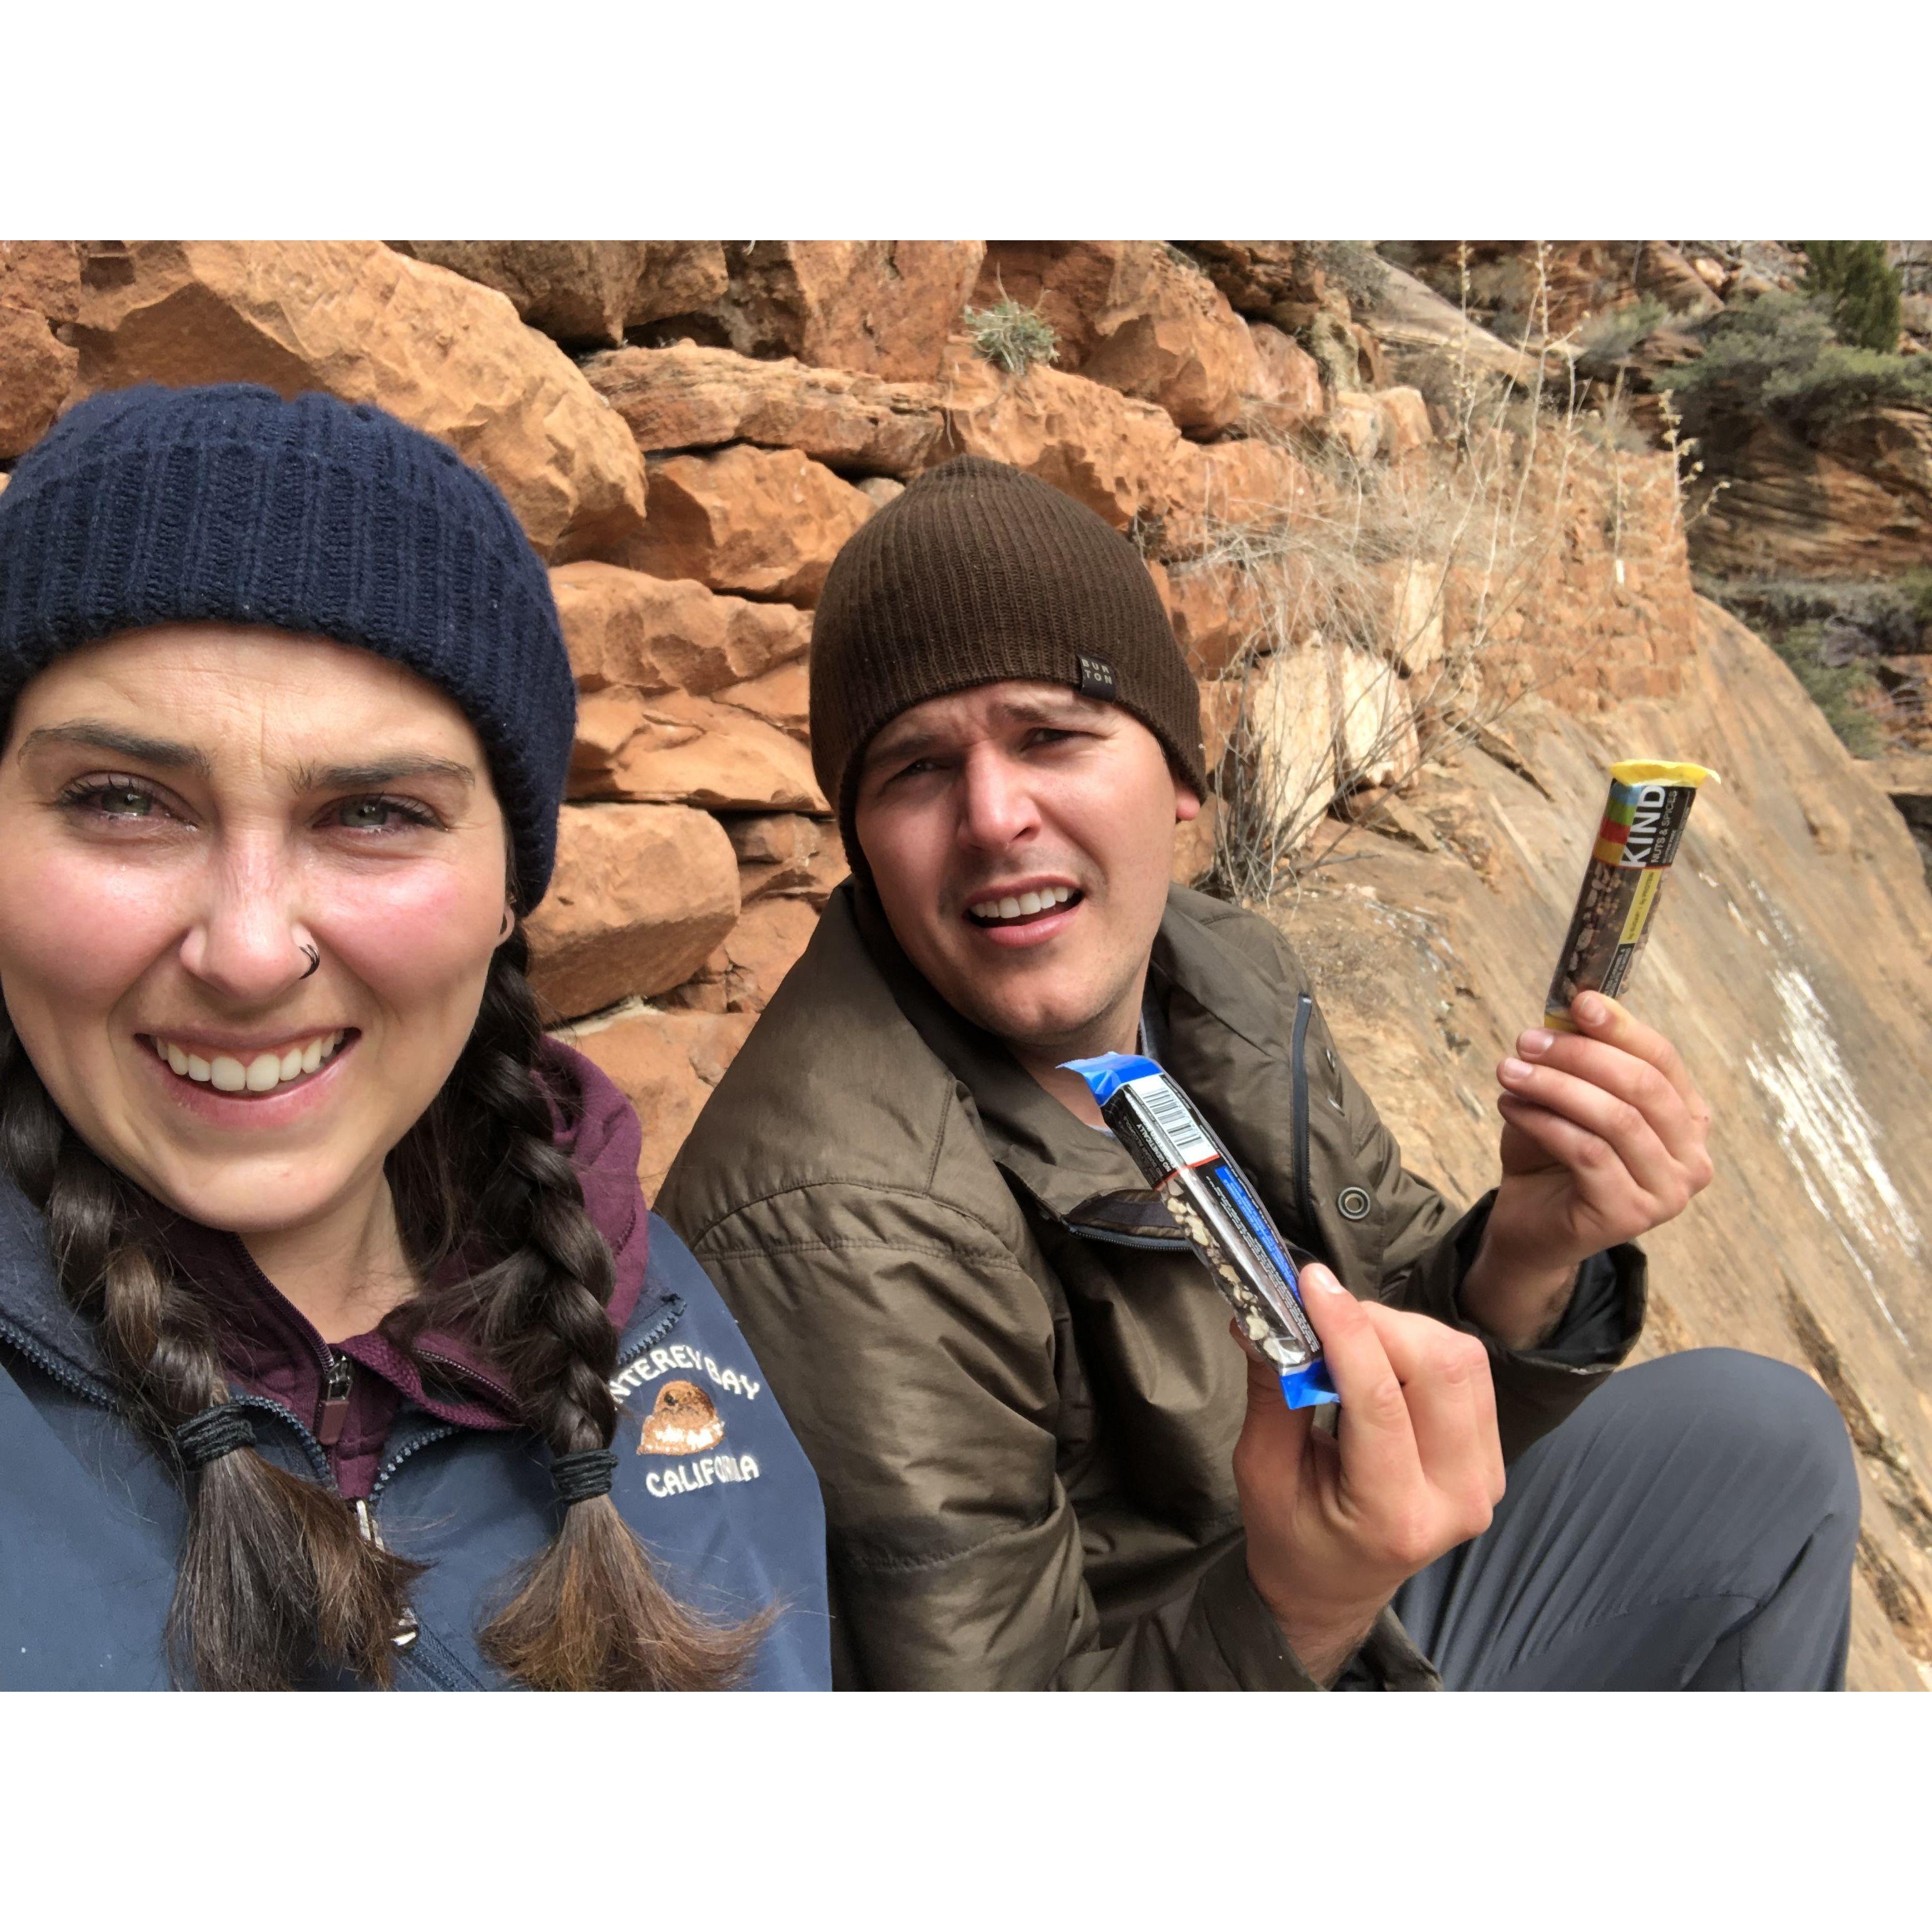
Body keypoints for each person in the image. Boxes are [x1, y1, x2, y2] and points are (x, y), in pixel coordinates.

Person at [658, 455, 1859, 1691]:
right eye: (914, 767)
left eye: (1050, 736)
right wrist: (1305, 1600)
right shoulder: (841, 1223)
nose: (991, 813)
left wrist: (1523, 1254)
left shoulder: (1211, 966)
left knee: (1758, 1441)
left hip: (1303, 1593)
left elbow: (1394, 1339)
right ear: (860, 838)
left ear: (1179, 774)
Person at [0, 385, 828, 1692]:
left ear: (511, 887)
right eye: (122, 800)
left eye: (374, 811)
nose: (253, 948)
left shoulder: (646, 1307)